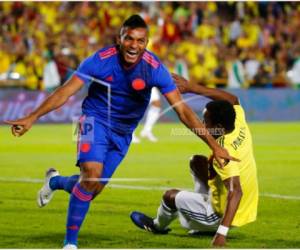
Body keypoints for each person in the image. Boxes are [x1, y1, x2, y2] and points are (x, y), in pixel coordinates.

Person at [5, 15, 237, 249]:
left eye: (140, 41)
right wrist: (32, 117)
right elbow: (66, 92)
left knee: (91, 189)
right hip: (92, 119)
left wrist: (214, 145)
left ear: (146, 43)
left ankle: (55, 182)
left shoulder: (154, 68)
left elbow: (184, 111)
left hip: (124, 132)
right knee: (91, 176)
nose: (134, 45)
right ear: (119, 39)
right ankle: (70, 243)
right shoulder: (99, 60)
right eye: (129, 39)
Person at [130, 74, 258, 247]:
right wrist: (192, 88)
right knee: (197, 162)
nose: (203, 126)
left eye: (206, 122)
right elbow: (232, 98)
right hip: (243, 206)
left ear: (219, 128)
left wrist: (221, 234)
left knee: (169, 196)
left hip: (223, 214)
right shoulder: (238, 122)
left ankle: (156, 225)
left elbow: (236, 192)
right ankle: (198, 217)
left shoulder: (225, 153)